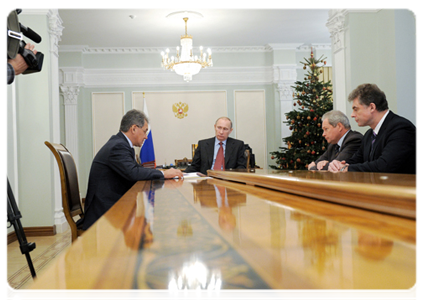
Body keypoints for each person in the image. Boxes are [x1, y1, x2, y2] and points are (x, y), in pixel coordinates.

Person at [83, 109, 183, 229]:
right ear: (134, 128)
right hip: (105, 211)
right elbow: (133, 173)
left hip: (113, 204)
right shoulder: (118, 146)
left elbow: (135, 169)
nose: (146, 137)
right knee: (150, 227)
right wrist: (163, 174)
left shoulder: (121, 143)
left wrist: (161, 171)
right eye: (145, 131)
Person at [328, 84, 420, 174]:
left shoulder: (401, 129)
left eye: (356, 109)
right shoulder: (369, 134)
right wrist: (339, 165)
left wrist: (347, 168)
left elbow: (384, 166)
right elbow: (356, 160)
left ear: (372, 107)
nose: (352, 115)